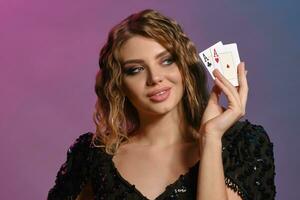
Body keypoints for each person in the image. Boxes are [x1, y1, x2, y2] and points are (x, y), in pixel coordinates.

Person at [48, 9, 276, 200]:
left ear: (184, 66)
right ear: (119, 84)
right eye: (135, 69)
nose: (155, 77)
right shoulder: (94, 156)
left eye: (167, 60)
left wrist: (211, 138)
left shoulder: (242, 145)